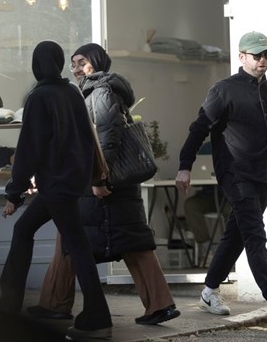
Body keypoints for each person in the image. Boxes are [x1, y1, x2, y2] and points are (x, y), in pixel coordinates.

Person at [28, 43, 180, 326]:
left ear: (96, 63)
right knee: (95, 239)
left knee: (96, 240)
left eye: (82, 62)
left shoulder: (100, 92)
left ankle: (56, 304)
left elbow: (106, 139)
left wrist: (100, 178)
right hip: (105, 181)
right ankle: (55, 303)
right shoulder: (98, 91)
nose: (75, 68)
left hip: (105, 182)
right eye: (72, 63)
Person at [175, 31, 267, 325]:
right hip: (235, 172)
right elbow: (199, 128)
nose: (263, 60)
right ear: (242, 57)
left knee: (237, 234)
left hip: (264, 175)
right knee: (254, 232)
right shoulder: (223, 91)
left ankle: (209, 291)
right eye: (257, 55)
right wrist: (184, 165)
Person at [0, 40, 113, 340]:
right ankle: (8, 306)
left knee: (77, 247)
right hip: (69, 184)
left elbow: (29, 149)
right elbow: (87, 139)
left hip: (54, 185)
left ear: (37, 65)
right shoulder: (71, 93)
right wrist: (92, 179)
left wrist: (14, 191)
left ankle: (98, 318)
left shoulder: (39, 97)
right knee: (28, 231)